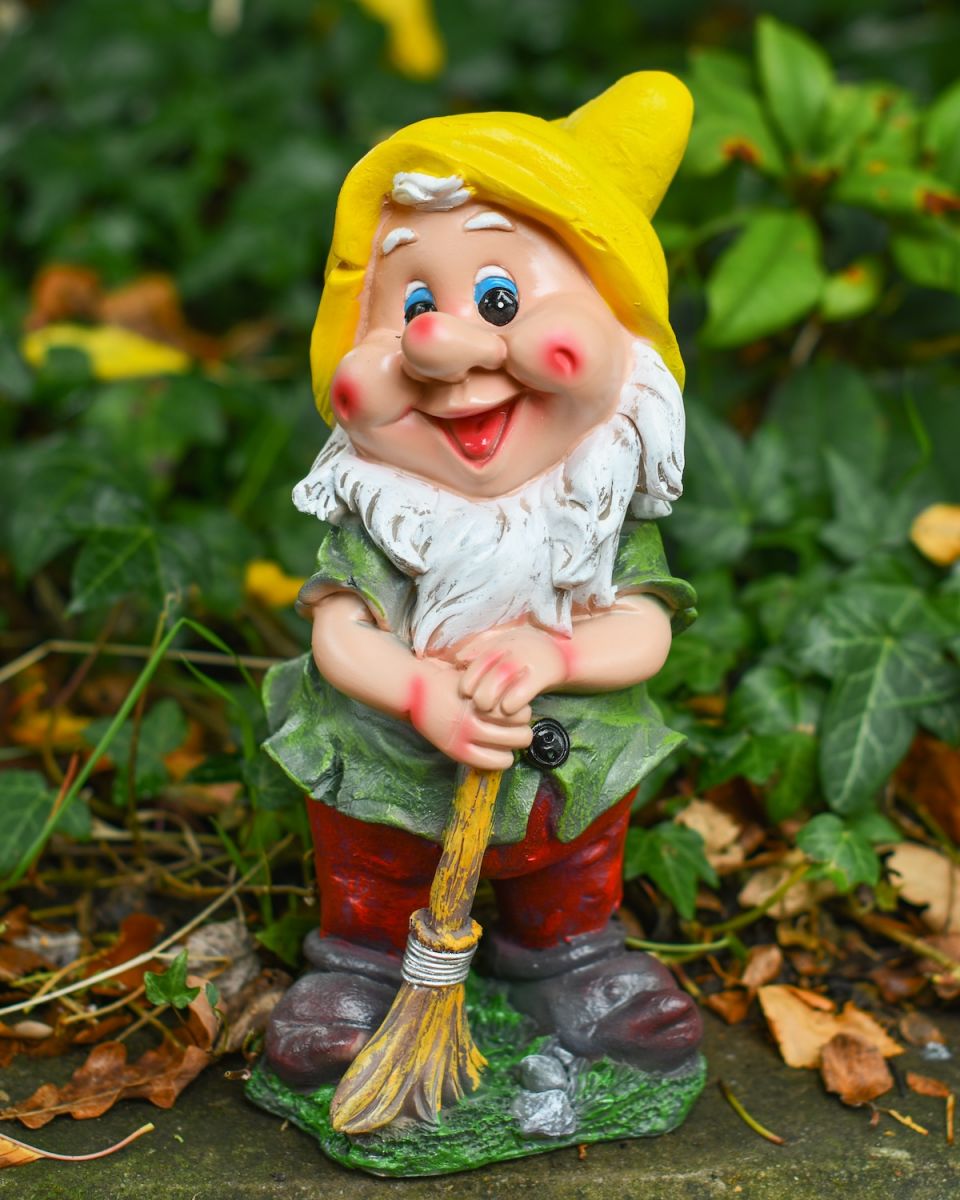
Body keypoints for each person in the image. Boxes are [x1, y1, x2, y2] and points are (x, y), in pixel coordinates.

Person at [262, 71, 703, 1091]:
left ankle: (568, 956)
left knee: (574, 862)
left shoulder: (591, 505)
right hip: (392, 772)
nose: (441, 342)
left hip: (559, 776)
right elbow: (340, 633)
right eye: (411, 303)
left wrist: (556, 651)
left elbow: (645, 628)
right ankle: (360, 971)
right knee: (372, 867)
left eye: (499, 298)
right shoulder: (390, 511)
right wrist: (417, 687)